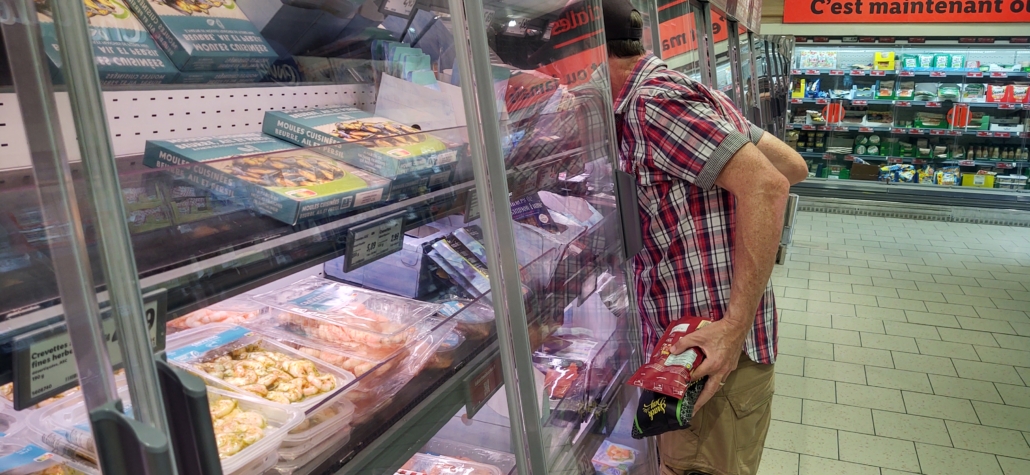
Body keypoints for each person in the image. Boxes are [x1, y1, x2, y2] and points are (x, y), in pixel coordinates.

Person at [601, 0, 808, 474]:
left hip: (703, 360)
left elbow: (770, 184)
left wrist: (733, 326)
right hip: (711, 353)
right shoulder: (691, 91)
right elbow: (792, 164)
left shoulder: (654, 104)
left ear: (597, 54)